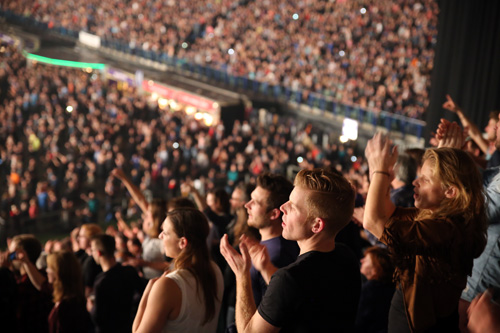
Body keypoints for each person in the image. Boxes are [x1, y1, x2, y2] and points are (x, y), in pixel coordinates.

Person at [363, 132, 487, 332]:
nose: (415, 182)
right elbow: (388, 212)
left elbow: (373, 221)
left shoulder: (447, 229)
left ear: (450, 192)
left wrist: (379, 171)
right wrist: (382, 173)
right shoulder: (435, 216)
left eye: (425, 180)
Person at [220, 168, 361, 332]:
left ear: (316, 225)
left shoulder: (289, 278)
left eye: (293, 207)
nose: (282, 208)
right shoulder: (347, 257)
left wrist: (242, 275)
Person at [132, 208, 224, 332]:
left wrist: (148, 292)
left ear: (182, 242)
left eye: (165, 232)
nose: (160, 236)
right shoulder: (214, 270)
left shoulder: (168, 285)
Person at [88, 234, 145, 333]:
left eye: (92, 250)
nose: (91, 253)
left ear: (98, 252)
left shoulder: (101, 282)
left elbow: (98, 318)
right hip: (131, 326)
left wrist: (91, 308)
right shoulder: (129, 271)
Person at [46, 251, 90, 333]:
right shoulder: (71, 299)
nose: (46, 270)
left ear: (58, 271)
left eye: (49, 267)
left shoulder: (68, 305)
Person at [355, 246, 395, 333]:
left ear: (376, 270)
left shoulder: (370, 289)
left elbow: (359, 322)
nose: (361, 261)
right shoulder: (392, 288)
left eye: (366, 260)